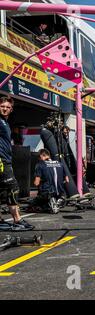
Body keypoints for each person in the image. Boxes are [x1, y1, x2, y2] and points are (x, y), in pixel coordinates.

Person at [0, 97, 34, 231]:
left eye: (7, 107)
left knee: (2, 191)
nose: (4, 108)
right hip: (1, 160)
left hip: (6, 159)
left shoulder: (5, 123)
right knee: (12, 188)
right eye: (2, 106)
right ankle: (17, 219)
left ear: (11, 109)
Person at [32, 149, 69, 214]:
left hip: (47, 192)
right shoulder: (60, 164)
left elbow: (36, 183)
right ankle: (58, 200)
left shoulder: (40, 165)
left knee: (33, 204)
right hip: (60, 192)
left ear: (41, 156)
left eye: (38, 157)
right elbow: (67, 180)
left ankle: (49, 203)